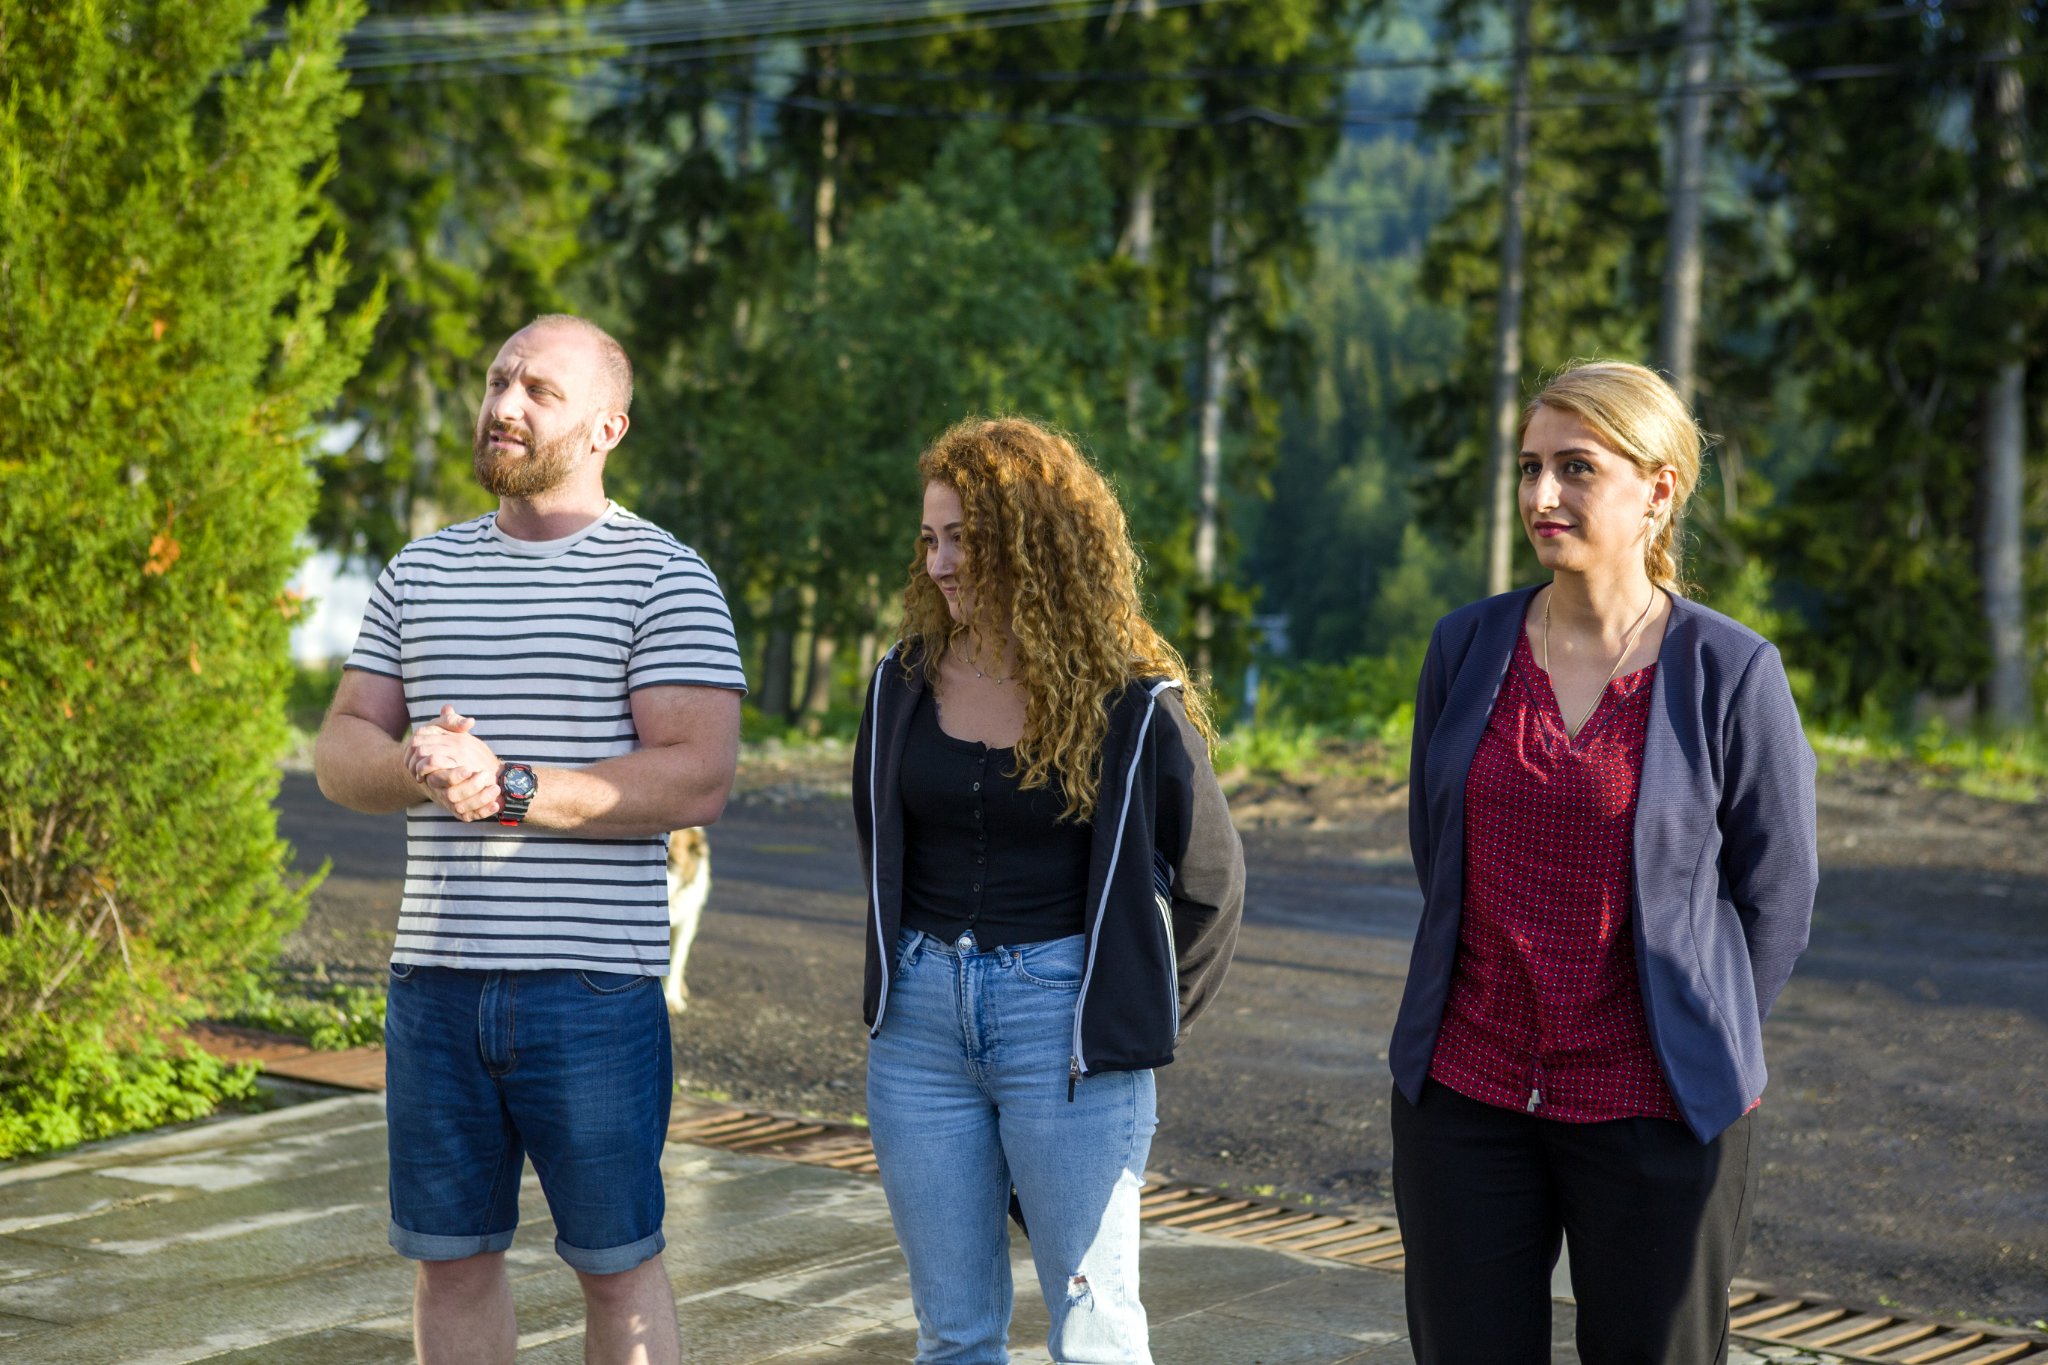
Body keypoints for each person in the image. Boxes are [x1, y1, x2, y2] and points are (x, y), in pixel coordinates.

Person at [313, 314, 745, 1365]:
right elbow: (340, 746)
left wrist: (506, 785)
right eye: (499, 381)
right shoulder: (419, 571)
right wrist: (418, 764)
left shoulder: (664, 576)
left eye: (540, 391)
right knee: (451, 1263)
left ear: (607, 427)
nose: (505, 405)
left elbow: (698, 774)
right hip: (433, 982)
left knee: (617, 1266)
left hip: (590, 989)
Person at [1390, 361, 1818, 1365]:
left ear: (1657, 490)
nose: (1542, 494)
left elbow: (1778, 893)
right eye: (1529, 466)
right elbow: (1436, 848)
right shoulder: (1465, 647)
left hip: (1656, 1110)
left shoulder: (1729, 670)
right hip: (1467, 1094)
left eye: (1576, 467)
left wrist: (1697, 1032)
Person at [852, 416, 1245, 1364]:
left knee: (1093, 1334)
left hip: (1065, 1035)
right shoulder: (900, 682)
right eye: (930, 539)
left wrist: (1128, 1016)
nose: (942, 564)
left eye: (965, 538)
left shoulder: (1129, 698)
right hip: (918, 1032)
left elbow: (1212, 886)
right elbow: (881, 846)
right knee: (952, 1334)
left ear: (1035, 541)